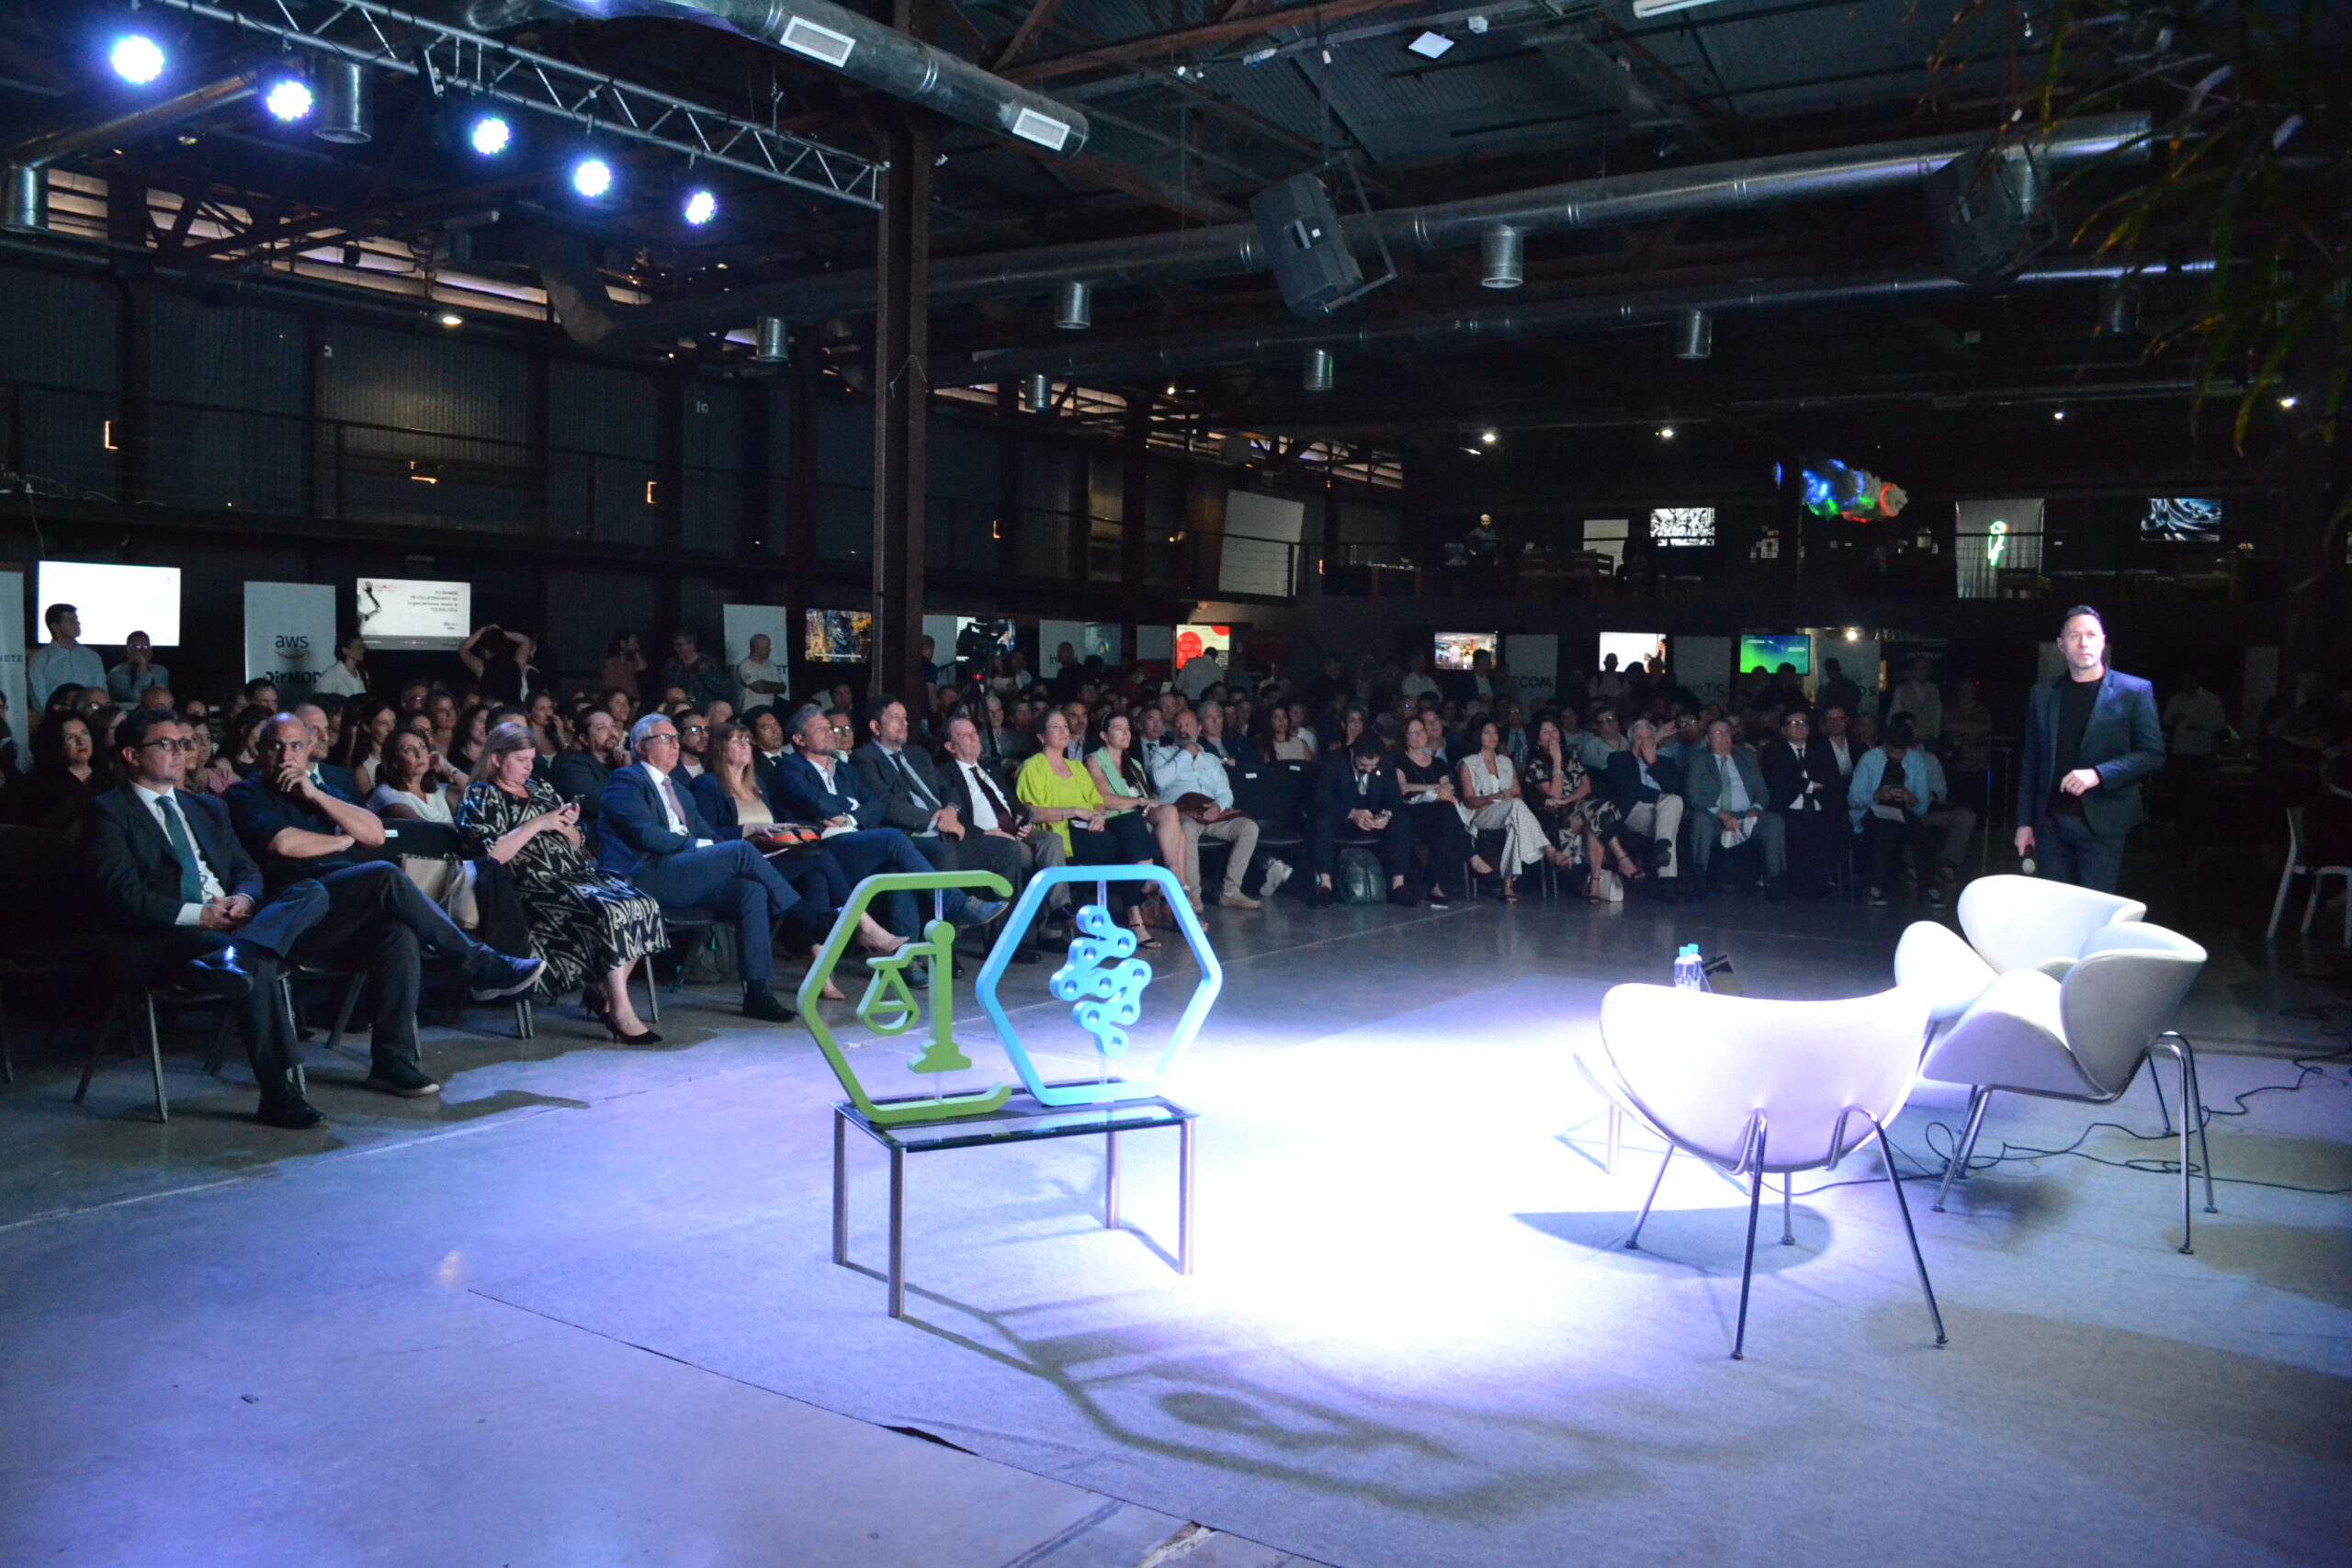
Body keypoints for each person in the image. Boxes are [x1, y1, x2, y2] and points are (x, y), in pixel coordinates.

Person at [215, 711, 544, 1099]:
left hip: (338, 913)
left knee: (397, 932)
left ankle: (391, 1061)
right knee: (384, 875)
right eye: (275, 746)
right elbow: (285, 844)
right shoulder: (244, 794)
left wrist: (315, 794)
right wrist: (343, 840)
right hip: (289, 915)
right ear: (259, 750)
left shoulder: (320, 791)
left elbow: (374, 833)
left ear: (308, 751)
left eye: (295, 746)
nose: (286, 756)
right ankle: (479, 964)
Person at [85, 708, 330, 1128]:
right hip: (168, 935)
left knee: (313, 891)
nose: (180, 752)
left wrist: (243, 900)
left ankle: (240, 951)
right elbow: (123, 897)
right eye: (166, 744)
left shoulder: (206, 807)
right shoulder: (108, 812)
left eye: (184, 744)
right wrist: (201, 915)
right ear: (131, 755)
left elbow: (247, 869)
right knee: (254, 960)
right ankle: (277, 1093)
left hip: (234, 922)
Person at [462, 723, 665, 1043]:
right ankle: (621, 1011)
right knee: (610, 910)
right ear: (497, 759)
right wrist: (539, 823)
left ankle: (603, 993)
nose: (528, 767)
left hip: (576, 874)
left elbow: (578, 841)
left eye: (531, 760)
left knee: (643, 904)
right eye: (520, 760)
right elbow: (491, 855)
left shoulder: (541, 788)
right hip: (533, 885)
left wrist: (568, 825)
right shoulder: (481, 795)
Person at [597, 714, 806, 1021]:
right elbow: (645, 835)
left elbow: (713, 838)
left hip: (683, 876)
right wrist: (697, 846)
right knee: (740, 850)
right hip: (644, 876)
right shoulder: (626, 780)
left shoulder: (680, 791)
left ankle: (757, 993)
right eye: (665, 739)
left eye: (675, 739)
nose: (674, 744)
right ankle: (803, 916)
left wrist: (719, 848)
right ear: (641, 747)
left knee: (750, 890)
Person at [771, 705, 1001, 941]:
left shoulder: (844, 770)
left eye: (830, 727)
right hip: (822, 852)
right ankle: (956, 904)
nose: (830, 732)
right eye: (820, 728)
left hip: (856, 843)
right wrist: (853, 804)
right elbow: (816, 802)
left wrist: (850, 817)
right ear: (799, 739)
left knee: (900, 866)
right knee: (892, 837)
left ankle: (907, 950)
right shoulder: (789, 768)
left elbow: (876, 806)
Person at [2014, 605, 2165, 892]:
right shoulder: (2043, 694)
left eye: (2091, 635)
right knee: (2057, 909)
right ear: (2061, 645)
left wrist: (2098, 774)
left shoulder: (2134, 691)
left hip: (2103, 822)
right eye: (2074, 636)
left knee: (2095, 909)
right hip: (2050, 823)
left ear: (2103, 642)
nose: (2084, 642)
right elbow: (2031, 761)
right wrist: (2025, 823)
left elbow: (2153, 754)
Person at [1016, 708, 1160, 948]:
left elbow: (1097, 801)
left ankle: (1142, 890)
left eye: (1065, 726)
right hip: (1060, 832)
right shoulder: (1032, 767)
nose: (1063, 731)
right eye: (1056, 727)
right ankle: (1141, 898)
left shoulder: (1076, 767)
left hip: (1089, 829)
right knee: (1127, 850)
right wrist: (1074, 811)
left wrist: (1098, 816)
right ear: (1041, 736)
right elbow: (1032, 812)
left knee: (1131, 822)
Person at [1148, 709, 1261, 911]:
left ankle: (1230, 892)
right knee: (1186, 830)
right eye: (1179, 725)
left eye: (1188, 725)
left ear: (1199, 729)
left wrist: (1218, 807)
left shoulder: (1210, 759)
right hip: (1182, 811)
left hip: (1212, 812)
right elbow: (1160, 781)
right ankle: (1192, 895)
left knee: (1249, 827)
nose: (1183, 729)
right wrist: (1186, 754)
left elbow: (1225, 792)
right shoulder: (1162, 754)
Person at [1524, 716, 1640, 900]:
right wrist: (1556, 761)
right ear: (1538, 740)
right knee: (1600, 811)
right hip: (1559, 821)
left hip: (1581, 810)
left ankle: (1595, 883)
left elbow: (1586, 787)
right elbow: (1554, 794)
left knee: (1596, 819)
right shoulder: (1535, 766)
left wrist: (1568, 800)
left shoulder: (1571, 758)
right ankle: (1623, 860)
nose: (1551, 735)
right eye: (1545, 732)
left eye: (1554, 730)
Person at [1310, 733, 1418, 908]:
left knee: (1401, 822)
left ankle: (1398, 885)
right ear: (1354, 753)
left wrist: (1386, 814)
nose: (1368, 770)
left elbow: (1394, 799)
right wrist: (1352, 813)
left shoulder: (1386, 763)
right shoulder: (1333, 762)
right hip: (1342, 818)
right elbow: (1322, 798)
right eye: (1363, 764)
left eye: (1373, 766)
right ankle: (1325, 885)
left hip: (1372, 817)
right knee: (1323, 822)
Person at [1683, 717, 1784, 898]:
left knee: (1774, 822)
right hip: (1714, 814)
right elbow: (1694, 796)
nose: (1724, 737)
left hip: (1747, 814)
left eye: (1727, 732)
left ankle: (1775, 882)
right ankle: (1698, 880)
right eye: (1718, 733)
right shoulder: (1699, 759)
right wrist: (1721, 814)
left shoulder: (1746, 756)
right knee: (1700, 820)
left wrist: (1755, 809)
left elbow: (1762, 792)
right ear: (1708, 739)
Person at [1850, 713, 1939, 907]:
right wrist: (1877, 795)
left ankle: (1928, 886)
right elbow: (1853, 798)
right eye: (1893, 752)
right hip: (1872, 812)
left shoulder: (1916, 761)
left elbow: (1922, 805)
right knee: (1885, 830)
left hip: (1904, 813)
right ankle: (1873, 887)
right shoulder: (1870, 759)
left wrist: (1911, 798)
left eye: (1902, 752)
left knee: (1920, 833)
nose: (1898, 756)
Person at [1458, 718, 1545, 901]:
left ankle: (1507, 884)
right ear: (1478, 736)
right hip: (1481, 813)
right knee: (1516, 808)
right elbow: (1469, 800)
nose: (1492, 736)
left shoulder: (1505, 762)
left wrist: (1507, 798)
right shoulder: (1468, 763)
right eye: (1487, 732)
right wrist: (1493, 797)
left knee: (1514, 823)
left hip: (1507, 811)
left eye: (1495, 732)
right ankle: (1548, 849)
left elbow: (1518, 795)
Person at [1760, 709, 1840, 899]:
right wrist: (1810, 785)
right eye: (1793, 724)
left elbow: (1831, 778)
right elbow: (1780, 779)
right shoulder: (1773, 750)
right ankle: (1816, 885)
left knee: (1833, 829)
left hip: (1820, 806)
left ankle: (1820, 881)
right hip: (1789, 807)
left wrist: (1807, 784)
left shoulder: (1821, 748)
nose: (1799, 727)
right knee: (1799, 830)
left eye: (1803, 723)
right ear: (1783, 729)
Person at [1604, 719, 1685, 896]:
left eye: (1649, 737)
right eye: (1640, 738)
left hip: (1665, 812)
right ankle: (1667, 883)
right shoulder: (1619, 759)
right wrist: (1660, 797)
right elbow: (1629, 791)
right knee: (1670, 810)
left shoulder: (1665, 762)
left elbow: (1674, 790)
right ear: (1631, 742)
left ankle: (1662, 849)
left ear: (1655, 741)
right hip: (1635, 811)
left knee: (1673, 804)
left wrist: (1653, 763)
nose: (1644, 742)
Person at [6, 711, 102, 836]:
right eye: (70, 738)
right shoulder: (37, 784)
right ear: (56, 744)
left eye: (85, 733)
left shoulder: (106, 777)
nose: (81, 742)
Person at [2162, 669, 2227, 814]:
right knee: (2177, 789)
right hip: (2179, 751)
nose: (2185, 684)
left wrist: (2200, 726)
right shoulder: (2177, 699)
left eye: (2188, 680)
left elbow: (2219, 722)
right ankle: (2177, 817)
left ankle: (2196, 818)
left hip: (2200, 751)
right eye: (2183, 681)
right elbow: (2165, 719)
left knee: (2197, 791)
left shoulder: (2210, 699)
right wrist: (2174, 719)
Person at [28, 604, 107, 708]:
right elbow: (38, 695)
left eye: (76, 619)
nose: (77, 623)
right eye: (71, 620)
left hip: (90, 714)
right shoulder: (40, 659)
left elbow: (101, 690)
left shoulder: (93, 657)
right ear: (56, 627)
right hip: (56, 715)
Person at [290, 703, 361, 803]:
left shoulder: (341, 777)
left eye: (326, 729)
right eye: (314, 730)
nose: (325, 737)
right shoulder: (283, 781)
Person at [459, 624, 540, 705]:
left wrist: (483, 630)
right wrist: (500, 633)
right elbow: (525, 641)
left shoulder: (481, 668)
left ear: (485, 651)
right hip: (513, 711)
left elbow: (463, 648)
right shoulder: (517, 665)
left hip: (492, 711)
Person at [334, 696, 398, 795]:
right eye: (383, 723)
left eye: (393, 722)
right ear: (367, 727)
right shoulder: (364, 771)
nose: (391, 729)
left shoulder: (401, 758)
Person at [659, 629, 730, 712]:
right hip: (676, 712)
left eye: (679, 645)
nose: (676, 649)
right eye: (675, 645)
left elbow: (723, 690)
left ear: (691, 644)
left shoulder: (708, 663)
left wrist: (706, 675)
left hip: (701, 712)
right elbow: (661, 689)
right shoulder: (671, 664)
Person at [106, 630, 171, 705]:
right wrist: (142, 667)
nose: (143, 650)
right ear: (128, 650)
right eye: (137, 646)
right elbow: (135, 700)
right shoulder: (116, 674)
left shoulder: (160, 671)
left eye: (146, 646)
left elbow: (163, 699)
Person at [1889, 657, 1943, 743]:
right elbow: (1894, 712)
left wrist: (1936, 733)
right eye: (1917, 669)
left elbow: (1938, 712)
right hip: (1908, 737)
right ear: (1912, 671)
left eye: (1923, 668)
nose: (1920, 672)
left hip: (1929, 737)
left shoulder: (1934, 689)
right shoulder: (1901, 689)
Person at [736, 632, 791, 709]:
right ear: (756, 648)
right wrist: (773, 686)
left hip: (769, 709)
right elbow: (759, 688)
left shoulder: (771, 665)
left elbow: (782, 688)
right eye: (767, 647)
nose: (770, 649)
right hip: (750, 710)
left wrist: (764, 684)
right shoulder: (745, 666)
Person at [313, 634, 370, 699]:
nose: (362, 651)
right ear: (345, 650)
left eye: (363, 647)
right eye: (358, 647)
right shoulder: (330, 675)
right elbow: (320, 701)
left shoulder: (363, 673)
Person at [601, 631, 647, 702]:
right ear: (623, 643)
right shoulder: (612, 664)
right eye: (633, 643)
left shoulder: (627, 663)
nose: (637, 647)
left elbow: (643, 666)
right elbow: (612, 690)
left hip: (631, 702)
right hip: (623, 702)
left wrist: (635, 652)